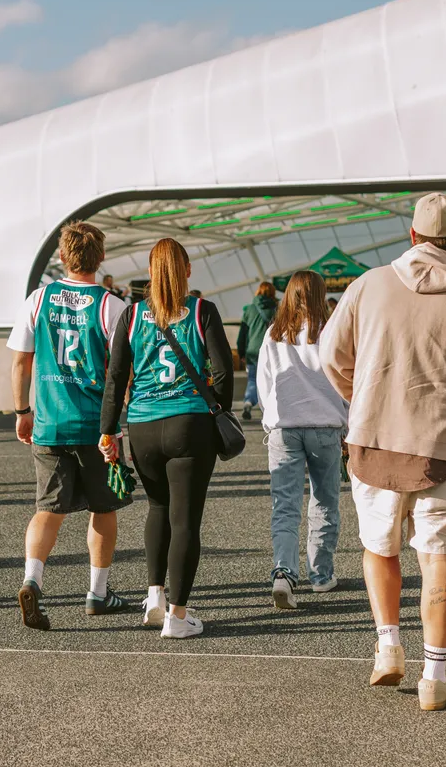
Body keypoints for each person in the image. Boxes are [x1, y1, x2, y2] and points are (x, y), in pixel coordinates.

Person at [320, 193, 446, 712]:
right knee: (438, 558)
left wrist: (363, 398)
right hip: (442, 446)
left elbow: (332, 356)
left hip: (374, 439)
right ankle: (435, 674)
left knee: (380, 548)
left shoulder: (367, 286)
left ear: (411, 237)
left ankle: (388, 646)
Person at [100, 238, 234, 639]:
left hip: (142, 425)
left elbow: (115, 378)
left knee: (157, 508)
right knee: (186, 519)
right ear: (187, 270)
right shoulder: (201, 311)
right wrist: (218, 411)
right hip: (188, 423)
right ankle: (178, 616)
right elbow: (224, 371)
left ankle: (155, 596)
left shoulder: (132, 314)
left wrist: (108, 429)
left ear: (151, 273)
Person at [8, 222, 134, 630]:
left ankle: (32, 579)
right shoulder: (113, 306)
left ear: (62, 256)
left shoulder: (39, 298)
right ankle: (97, 592)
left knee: (47, 509)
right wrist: (118, 424)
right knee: (104, 507)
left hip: (49, 421)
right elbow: (123, 373)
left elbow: (19, 361)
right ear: (100, 258)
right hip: (96, 425)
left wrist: (21, 410)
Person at [257, 270, 347, 609]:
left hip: (284, 428)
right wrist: (348, 425)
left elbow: (265, 384)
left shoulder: (274, 334)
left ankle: (284, 572)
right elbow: (344, 382)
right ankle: (321, 574)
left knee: (286, 506)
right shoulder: (332, 331)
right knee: (324, 501)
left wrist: (271, 420)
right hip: (325, 427)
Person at [237, 282, 278, 421]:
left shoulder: (249, 309)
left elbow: (243, 332)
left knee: (253, 379)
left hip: (252, 350)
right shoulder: (277, 308)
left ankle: (248, 402)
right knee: (273, 379)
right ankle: (269, 408)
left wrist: (241, 352)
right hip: (271, 349)